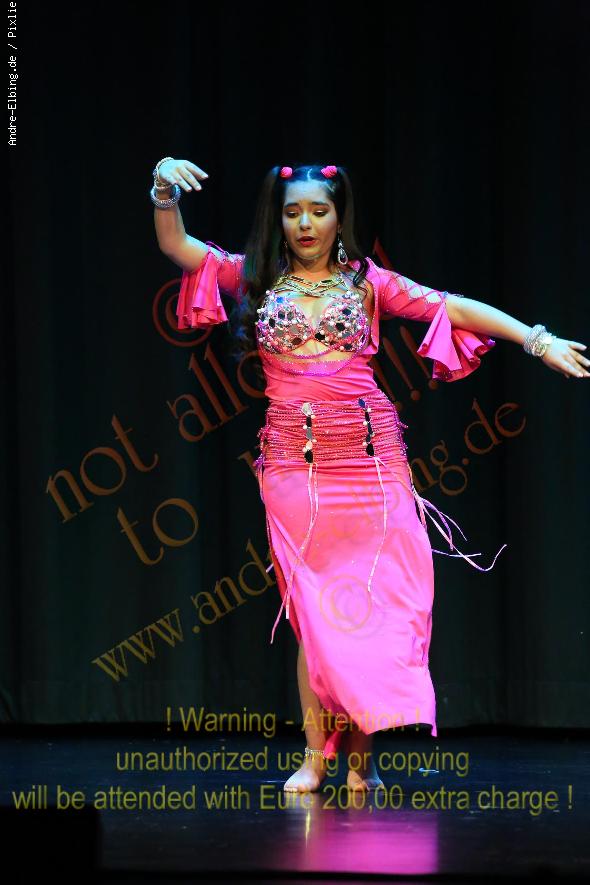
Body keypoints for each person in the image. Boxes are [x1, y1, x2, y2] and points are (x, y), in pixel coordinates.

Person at [152, 158, 589, 794]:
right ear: (278, 219)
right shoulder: (253, 276)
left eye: (318, 211)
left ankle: (362, 763)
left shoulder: (368, 282)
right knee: (315, 618)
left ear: (339, 217)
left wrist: (535, 340)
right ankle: (314, 758)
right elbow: (177, 246)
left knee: (370, 611)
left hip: (372, 465)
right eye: (293, 212)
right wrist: (164, 188)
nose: (305, 224)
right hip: (295, 469)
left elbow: (452, 307)